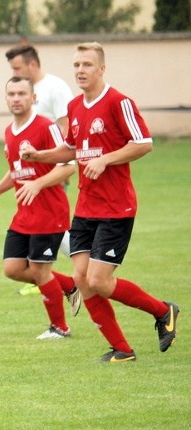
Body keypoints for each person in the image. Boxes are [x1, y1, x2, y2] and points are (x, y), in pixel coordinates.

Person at [20, 42, 179, 362]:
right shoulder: (76, 107)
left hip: (115, 208)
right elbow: (71, 150)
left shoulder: (119, 102)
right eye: (76, 65)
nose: (80, 70)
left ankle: (163, 311)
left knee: (98, 280)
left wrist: (106, 159)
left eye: (87, 65)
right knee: (81, 277)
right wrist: (40, 155)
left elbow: (144, 143)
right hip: (86, 207)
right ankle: (121, 349)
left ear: (102, 69)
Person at [0, 76, 79, 340]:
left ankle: (60, 328)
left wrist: (38, 184)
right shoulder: (9, 131)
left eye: (22, 94)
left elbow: (68, 166)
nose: (16, 99)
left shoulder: (45, 127)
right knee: (13, 269)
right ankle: (69, 285)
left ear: (33, 98)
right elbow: (16, 170)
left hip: (50, 212)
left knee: (40, 271)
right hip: (25, 213)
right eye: (11, 94)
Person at [6, 44, 76, 296]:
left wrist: (58, 162)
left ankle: (78, 271)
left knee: (53, 230)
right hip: (33, 174)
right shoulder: (11, 126)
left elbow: (67, 131)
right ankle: (65, 280)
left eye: (17, 67)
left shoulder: (54, 87)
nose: (16, 98)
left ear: (31, 64)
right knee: (22, 265)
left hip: (51, 166)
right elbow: (15, 163)